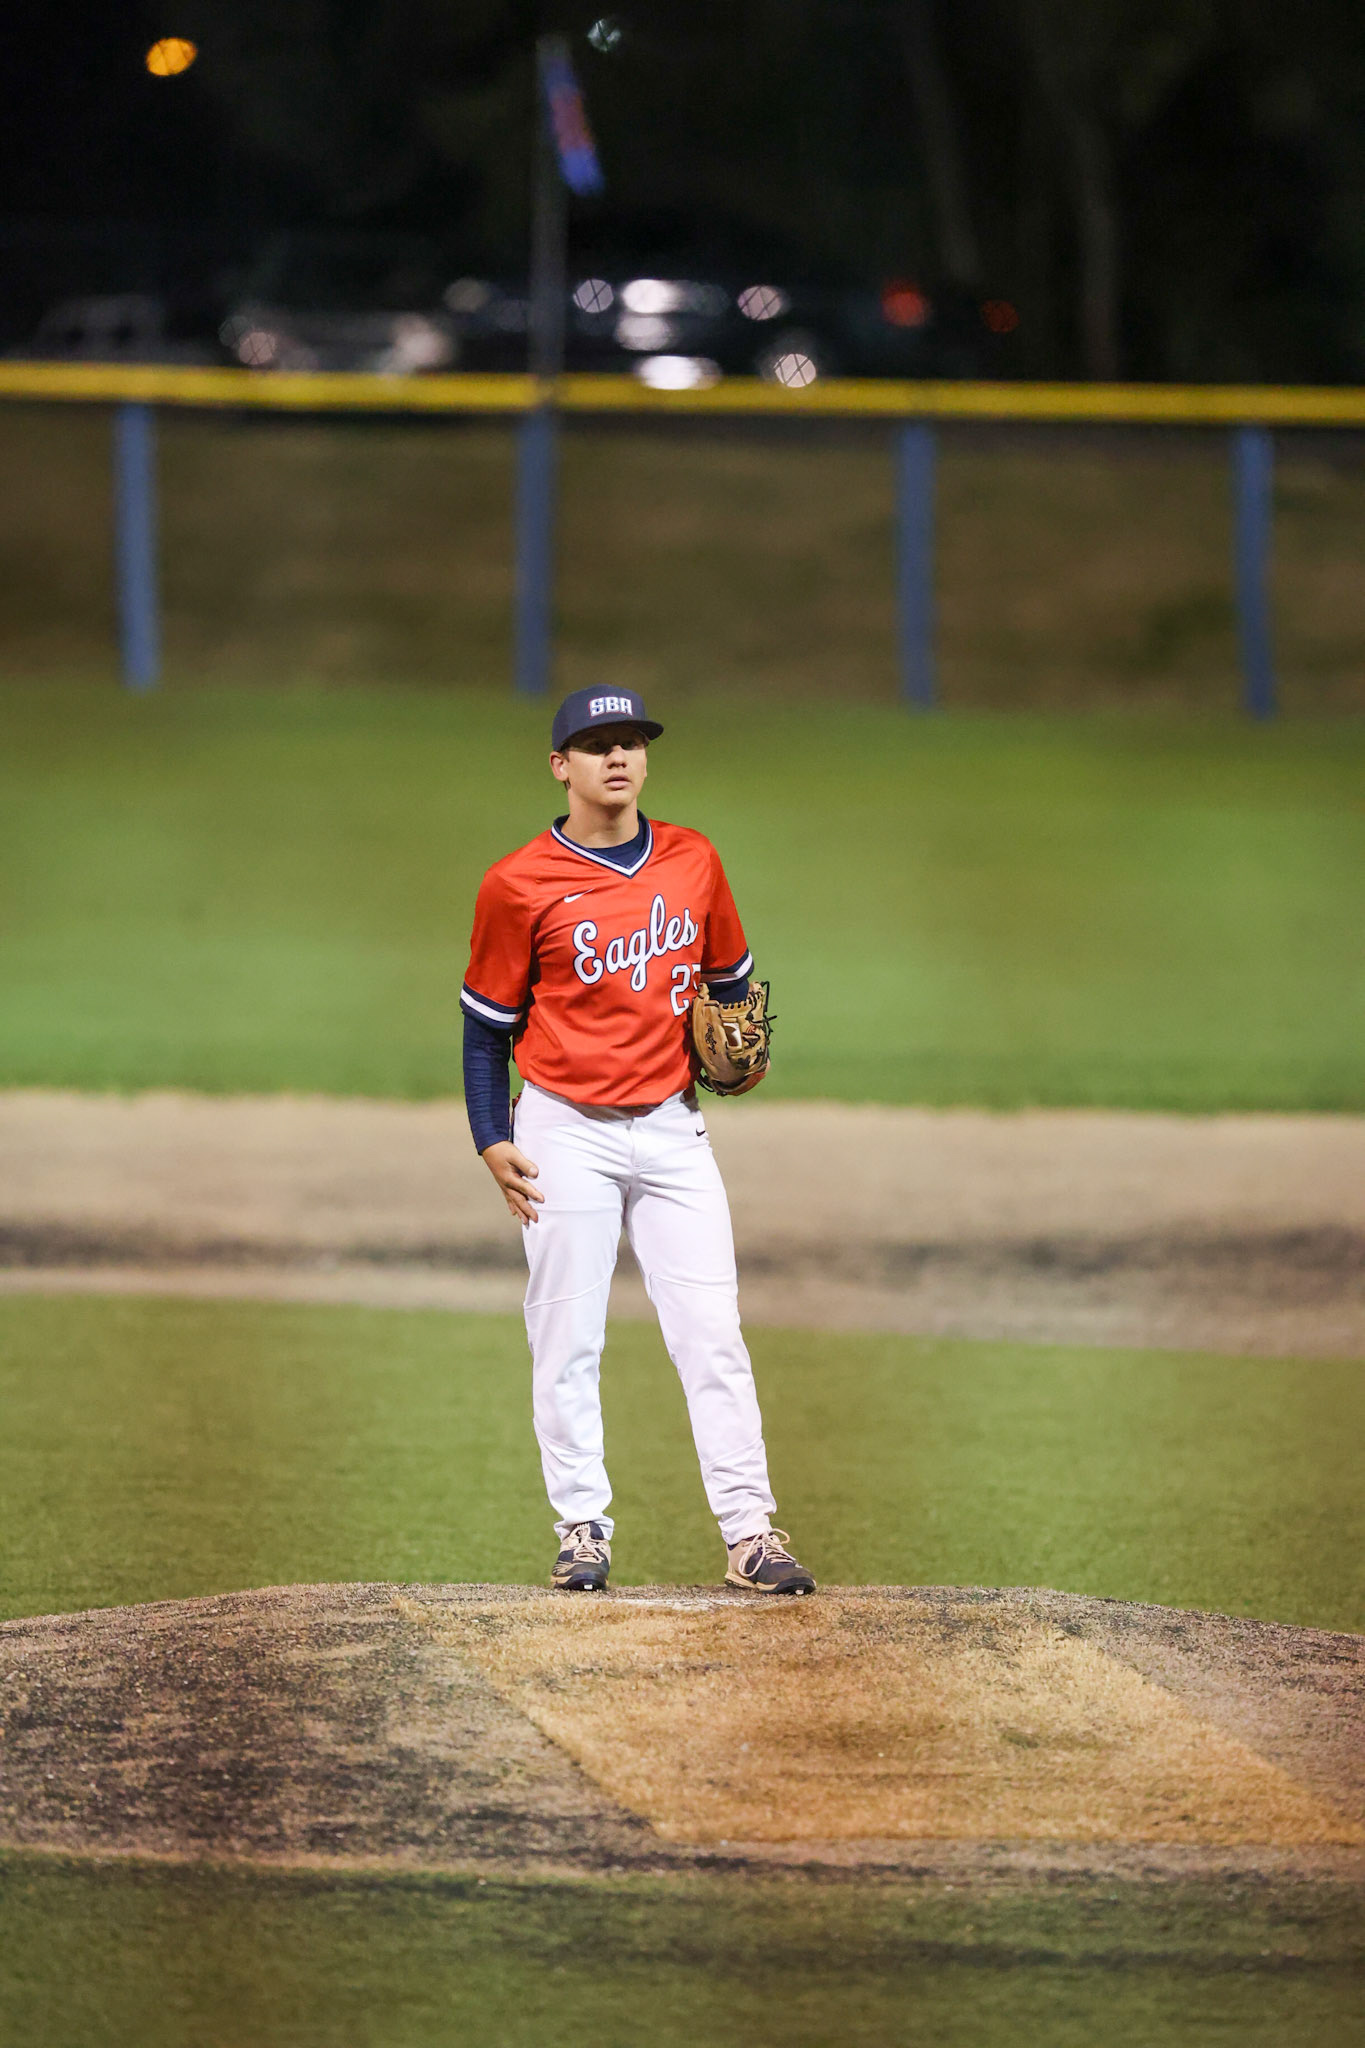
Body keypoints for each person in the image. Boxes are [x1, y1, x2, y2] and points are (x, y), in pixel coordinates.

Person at [461, 686, 815, 1597]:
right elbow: (485, 1026)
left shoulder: (694, 861)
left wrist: (737, 1054)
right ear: (560, 766)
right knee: (566, 1338)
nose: (615, 757)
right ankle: (582, 1529)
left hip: (670, 1130)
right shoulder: (517, 883)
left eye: (629, 742)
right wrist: (489, 1136)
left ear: (645, 760)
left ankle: (750, 1534)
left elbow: (731, 982)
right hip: (560, 1133)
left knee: (712, 1336)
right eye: (595, 744)